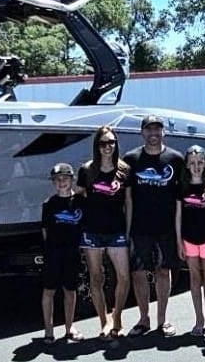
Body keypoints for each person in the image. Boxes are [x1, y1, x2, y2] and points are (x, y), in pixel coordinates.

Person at [124, 114, 184, 337]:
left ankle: (163, 319)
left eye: (157, 130)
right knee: (138, 273)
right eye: (149, 130)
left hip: (166, 228)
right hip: (140, 227)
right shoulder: (131, 159)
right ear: (142, 133)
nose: (153, 134)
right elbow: (127, 199)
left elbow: (182, 198)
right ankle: (143, 318)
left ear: (163, 132)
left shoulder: (175, 159)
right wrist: (127, 230)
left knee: (163, 271)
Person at [77, 126, 131, 340]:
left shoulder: (124, 169)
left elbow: (129, 202)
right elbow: (79, 200)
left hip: (117, 231)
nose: (107, 147)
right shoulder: (87, 170)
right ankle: (104, 321)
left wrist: (128, 231)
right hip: (92, 232)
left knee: (123, 277)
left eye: (111, 142)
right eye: (103, 143)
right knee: (96, 277)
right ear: (96, 146)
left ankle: (117, 317)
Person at [175, 145, 205, 337]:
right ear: (187, 165)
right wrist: (179, 242)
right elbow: (178, 216)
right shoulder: (181, 187)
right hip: (189, 239)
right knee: (194, 278)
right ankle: (199, 319)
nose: (196, 166)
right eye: (192, 163)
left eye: (200, 162)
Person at [40, 163, 84, 344]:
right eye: (57, 180)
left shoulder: (81, 202)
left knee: (70, 290)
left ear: (72, 180)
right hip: (53, 252)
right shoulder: (48, 204)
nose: (61, 183)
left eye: (65, 179)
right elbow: (45, 231)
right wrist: (50, 249)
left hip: (72, 252)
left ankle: (69, 327)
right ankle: (48, 330)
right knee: (49, 290)